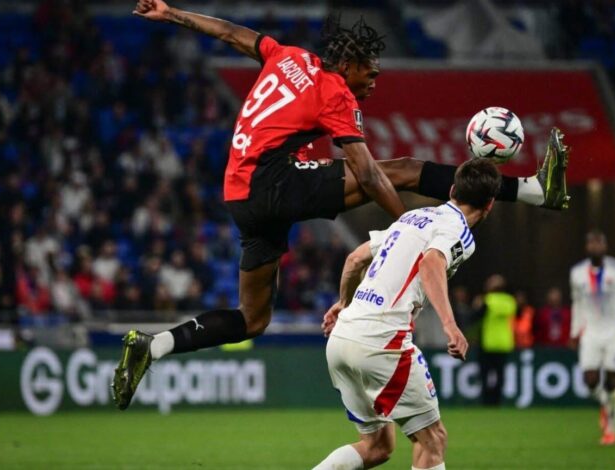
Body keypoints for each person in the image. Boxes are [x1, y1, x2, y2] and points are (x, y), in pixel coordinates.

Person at [112, 0, 571, 410]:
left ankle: (154, 346)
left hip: (241, 194)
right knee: (405, 169)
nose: (373, 83)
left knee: (253, 319)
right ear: (348, 66)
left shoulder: (289, 57)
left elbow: (230, 33)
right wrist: (408, 226)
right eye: (370, 74)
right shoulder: (335, 92)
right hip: (271, 182)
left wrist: (172, 13)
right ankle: (533, 190)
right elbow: (369, 175)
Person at [315, 158, 500, 470]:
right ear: (490, 205)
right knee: (432, 440)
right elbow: (431, 263)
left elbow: (355, 259)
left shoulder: (413, 217)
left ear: (452, 190)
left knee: (377, 447)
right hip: (382, 341)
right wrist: (450, 325)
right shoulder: (459, 231)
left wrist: (343, 302)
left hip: (342, 337)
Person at [569, 229, 615, 445]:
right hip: (591, 332)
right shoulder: (577, 273)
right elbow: (577, 303)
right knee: (590, 381)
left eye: (599, 243)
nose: (595, 246)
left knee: (613, 380)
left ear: (605, 246)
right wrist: (574, 331)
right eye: (591, 243)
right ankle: (605, 403)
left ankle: (611, 429)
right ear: (586, 247)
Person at [477, 274, 516, 406]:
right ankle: (497, 401)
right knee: (500, 375)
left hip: (488, 343)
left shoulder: (487, 301)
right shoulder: (510, 301)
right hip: (504, 343)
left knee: (485, 375)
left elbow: (475, 317)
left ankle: (486, 401)